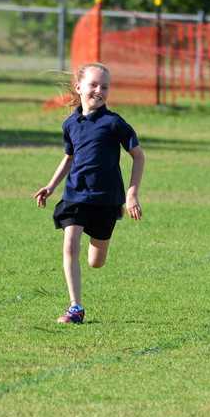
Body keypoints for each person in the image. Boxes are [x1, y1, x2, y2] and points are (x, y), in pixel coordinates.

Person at [33, 62, 145, 324]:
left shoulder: (114, 123)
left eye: (104, 86)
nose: (99, 90)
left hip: (106, 199)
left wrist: (132, 194)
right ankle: (75, 308)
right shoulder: (70, 124)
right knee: (70, 246)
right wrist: (51, 186)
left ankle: (96, 254)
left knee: (96, 261)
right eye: (93, 85)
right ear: (79, 87)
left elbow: (138, 157)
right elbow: (69, 158)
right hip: (75, 195)